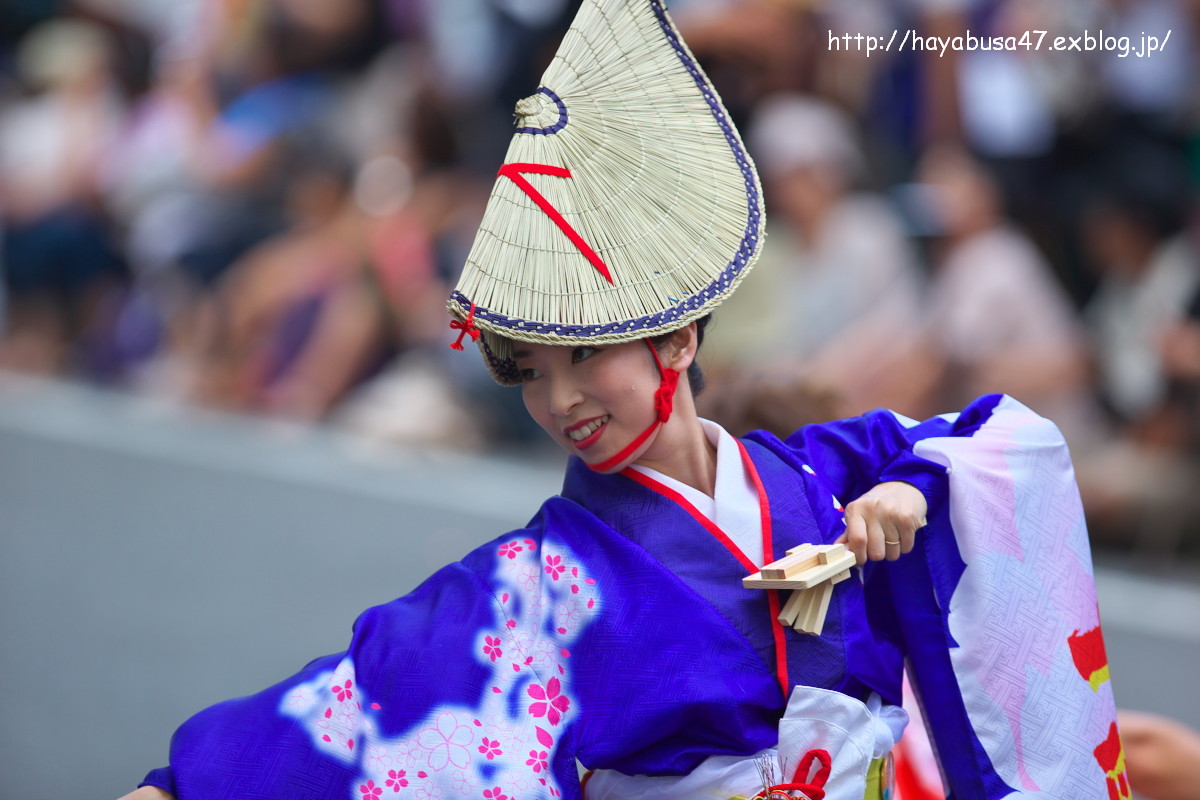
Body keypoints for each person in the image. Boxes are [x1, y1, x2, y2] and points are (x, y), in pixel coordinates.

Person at [120, 2, 1124, 799]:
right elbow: (362, 694)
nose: (558, 400)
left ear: (677, 334)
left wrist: (912, 489)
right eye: (527, 371)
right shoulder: (542, 584)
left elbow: (993, 440)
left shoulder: (824, 470)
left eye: (582, 357)